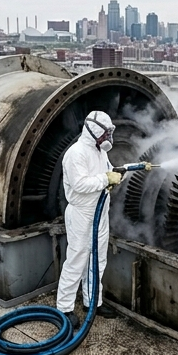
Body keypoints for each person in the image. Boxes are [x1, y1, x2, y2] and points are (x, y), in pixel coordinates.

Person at [56, 111, 123, 322]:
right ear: (94, 131)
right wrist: (106, 179)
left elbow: (108, 171)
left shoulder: (99, 151)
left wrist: (117, 173)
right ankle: (64, 309)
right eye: (105, 133)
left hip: (100, 212)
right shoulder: (76, 154)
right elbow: (80, 184)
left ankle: (93, 302)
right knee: (77, 260)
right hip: (81, 214)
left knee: (98, 259)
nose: (108, 137)